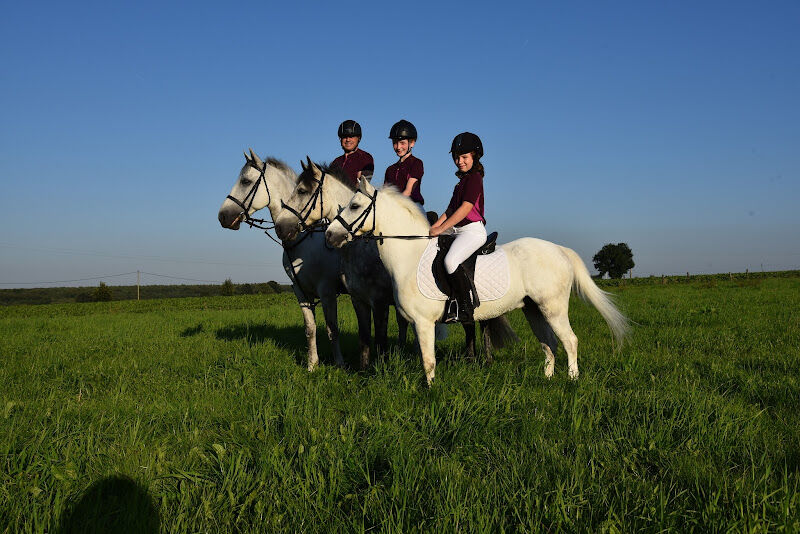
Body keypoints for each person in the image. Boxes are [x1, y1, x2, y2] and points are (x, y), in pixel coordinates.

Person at [429, 132, 487, 322]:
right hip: (457, 230)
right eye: (456, 157)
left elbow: (465, 208)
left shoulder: (475, 178)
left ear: (474, 157)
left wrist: (442, 227)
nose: (459, 161)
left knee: (450, 261)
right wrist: (433, 227)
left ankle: (464, 306)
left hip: (472, 231)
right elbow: (450, 209)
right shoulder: (460, 183)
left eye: (464, 157)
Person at [383, 120, 424, 207]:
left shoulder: (416, 163)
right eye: (395, 143)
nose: (398, 147)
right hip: (392, 208)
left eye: (402, 143)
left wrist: (394, 207)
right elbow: (385, 193)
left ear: (412, 143)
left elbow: (408, 191)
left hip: (413, 207)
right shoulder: (390, 170)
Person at [331, 120, 374, 186]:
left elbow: (362, 186)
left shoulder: (365, 158)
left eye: (351, 136)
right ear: (340, 139)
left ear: (358, 138)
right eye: (344, 136)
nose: (348, 139)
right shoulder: (335, 162)